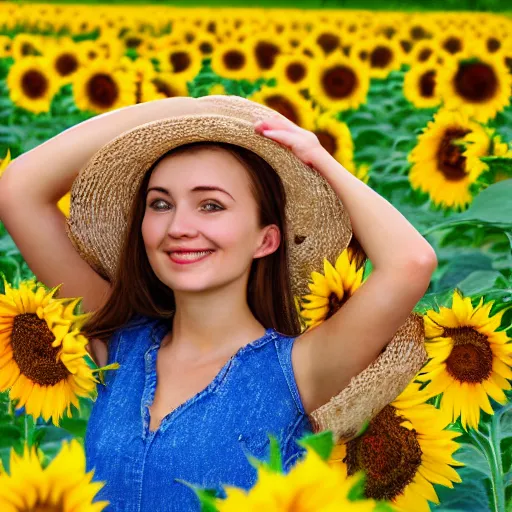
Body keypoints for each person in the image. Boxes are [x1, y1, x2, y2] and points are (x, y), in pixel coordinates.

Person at [0, 95, 436, 510]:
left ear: (266, 239)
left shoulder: (299, 370)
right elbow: (17, 190)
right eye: (160, 204)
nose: (179, 227)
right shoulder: (119, 343)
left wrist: (319, 158)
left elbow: (411, 262)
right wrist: (187, 112)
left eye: (210, 205)